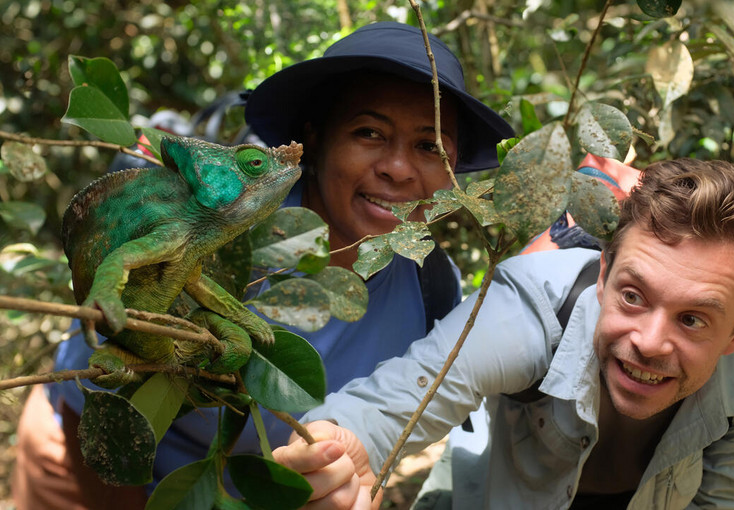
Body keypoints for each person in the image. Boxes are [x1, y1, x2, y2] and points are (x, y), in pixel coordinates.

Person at [11, 21, 514, 509]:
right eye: (369, 133)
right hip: (89, 462)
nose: (397, 168)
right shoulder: (225, 229)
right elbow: (91, 404)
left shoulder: (433, 286)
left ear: (452, 173)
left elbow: (374, 445)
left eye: (429, 147)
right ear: (315, 140)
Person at [273, 158, 734, 509]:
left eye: (693, 319)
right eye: (633, 296)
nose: (650, 342)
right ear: (602, 275)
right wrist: (333, 450)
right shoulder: (531, 310)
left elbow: (730, 496)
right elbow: (393, 402)